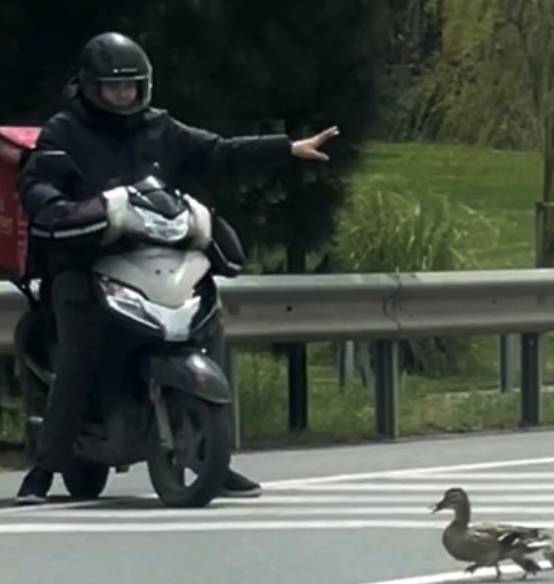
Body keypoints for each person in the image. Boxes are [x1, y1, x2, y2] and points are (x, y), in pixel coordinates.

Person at [14, 31, 338, 505]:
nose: (123, 95)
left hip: (157, 258)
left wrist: (285, 149)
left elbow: (218, 151)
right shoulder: (66, 132)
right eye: (112, 87)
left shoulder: (159, 127)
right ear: (89, 87)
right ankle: (43, 471)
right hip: (86, 261)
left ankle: (214, 458)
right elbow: (38, 184)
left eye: (131, 87)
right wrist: (62, 208)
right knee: (81, 350)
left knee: (208, 328)